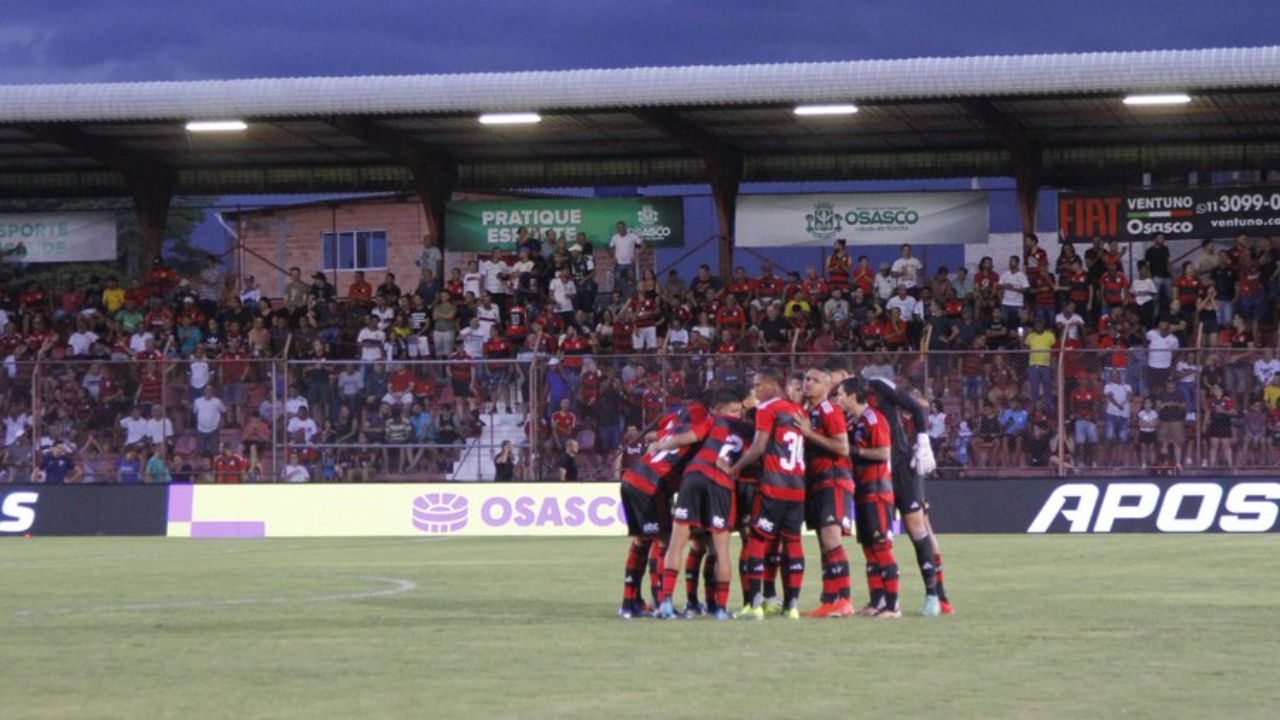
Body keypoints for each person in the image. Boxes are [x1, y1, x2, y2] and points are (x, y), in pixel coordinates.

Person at [656, 388, 749, 621]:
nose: (738, 414)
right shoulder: (750, 431)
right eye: (735, 410)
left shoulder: (713, 420)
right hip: (722, 482)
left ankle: (665, 602)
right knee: (721, 549)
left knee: (678, 542)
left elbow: (687, 438)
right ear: (721, 410)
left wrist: (659, 446)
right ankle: (719, 609)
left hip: (695, 475)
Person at [725, 366, 807, 620]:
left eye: (758, 385)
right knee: (792, 542)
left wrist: (735, 469)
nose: (754, 390)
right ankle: (791, 606)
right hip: (797, 487)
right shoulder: (797, 410)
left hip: (773, 486)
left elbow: (759, 447)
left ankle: (755, 605)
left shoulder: (767, 409)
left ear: (771, 385)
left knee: (757, 541)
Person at [864, 375, 949, 616]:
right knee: (879, 535)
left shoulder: (876, 385)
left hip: (903, 469)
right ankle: (881, 601)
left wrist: (923, 442)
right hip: (878, 474)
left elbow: (918, 407)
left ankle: (937, 594)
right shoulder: (845, 401)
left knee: (920, 527)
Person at [616, 401, 710, 619]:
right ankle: (660, 602)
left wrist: (658, 441)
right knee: (664, 541)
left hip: (631, 476)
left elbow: (652, 438)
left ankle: (630, 602)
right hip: (651, 484)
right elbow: (691, 437)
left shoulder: (670, 427)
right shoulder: (698, 427)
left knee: (641, 541)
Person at [835, 377, 902, 618]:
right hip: (862, 490)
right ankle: (877, 601)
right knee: (869, 548)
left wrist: (855, 452)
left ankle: (893, 606)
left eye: (841, 394)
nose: (838, 399)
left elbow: (884, 452)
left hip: (877, 490)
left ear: (853, 396)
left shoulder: (874, 418)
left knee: (881, 546)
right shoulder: (854, 422)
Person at [794, 366, 855, 618]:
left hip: (833, 481)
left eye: (815, 380)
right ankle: (829, 600)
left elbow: (843, 448)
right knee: (823, 544)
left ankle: (845, 599)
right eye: (806, 379)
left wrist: (810, 434)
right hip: (816, 483)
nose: (808, 383)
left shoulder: (829, 410)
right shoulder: (809, 411)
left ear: (827, 386)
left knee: (832, 540)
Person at [608, 220, 643, 298]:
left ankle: (631, 300)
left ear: (625, 227)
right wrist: (613, 257)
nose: (620, 229)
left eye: (621, 227)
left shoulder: (633, 236)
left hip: (630, 264)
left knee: (631, 283)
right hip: (619, 264)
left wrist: (636, 255)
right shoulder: (615, 237)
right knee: (618, 282)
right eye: (618, 228)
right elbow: (609, 248)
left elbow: (644, 245)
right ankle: (620, 300)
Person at [192, 385, 226, 458]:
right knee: (200, 452)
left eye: (210, 390)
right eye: (206, 390)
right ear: (204, 391)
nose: (208, 392)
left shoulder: (217, 401)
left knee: (215, 451)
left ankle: (216, 467)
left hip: (214, 429)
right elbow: (195, 412)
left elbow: (224, 410)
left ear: (212, 391)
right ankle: (201, 468)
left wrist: (221, 420)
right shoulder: (197, 401)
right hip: (200, 430)